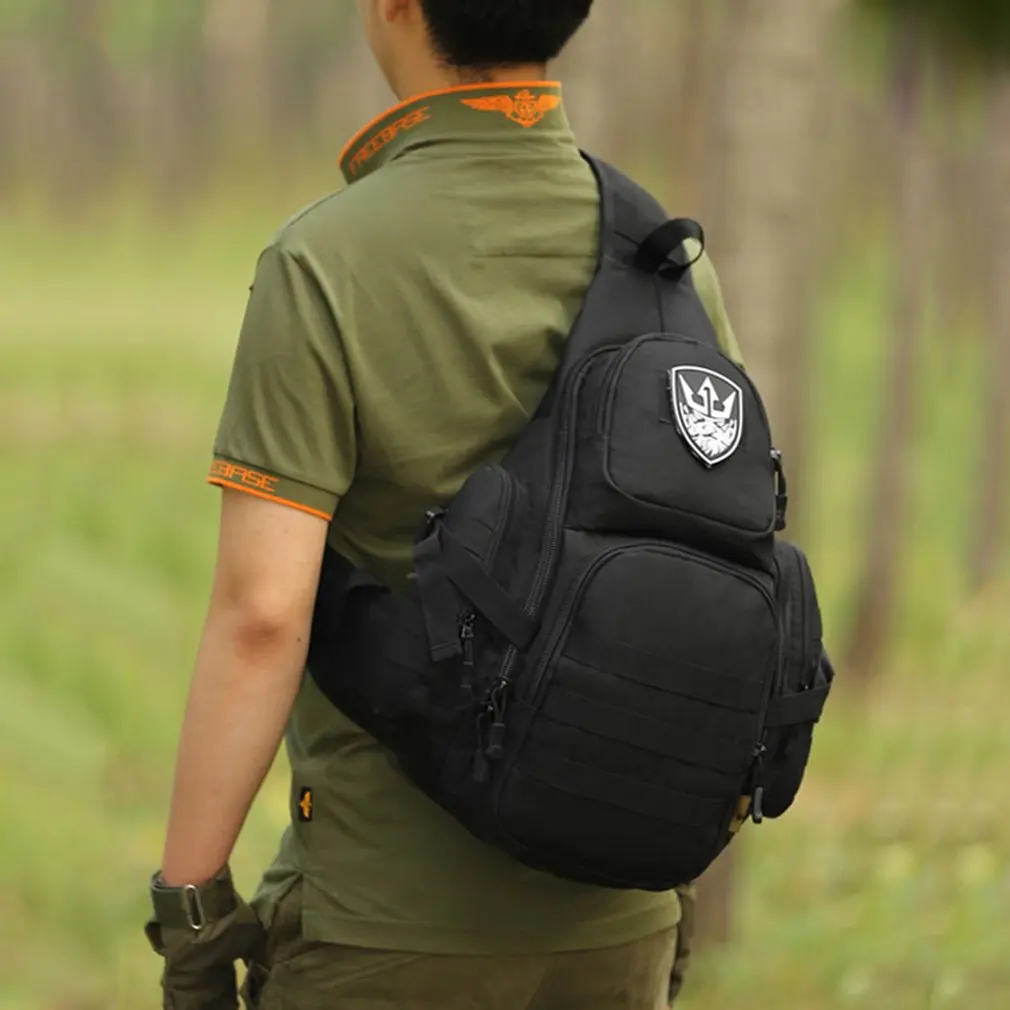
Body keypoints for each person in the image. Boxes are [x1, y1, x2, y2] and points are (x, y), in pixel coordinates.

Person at [145, 2, 744, 1007]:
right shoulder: (665, 261)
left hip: (383, 927)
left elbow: (262, 616)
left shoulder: (323, 262)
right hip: (619, 930)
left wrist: (192, 921)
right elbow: (709, 591)